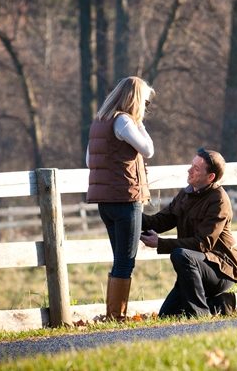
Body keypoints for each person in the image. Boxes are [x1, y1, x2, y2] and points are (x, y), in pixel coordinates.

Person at [140, 148, 237, 317]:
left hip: (220, 270)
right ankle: (218, 303)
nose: (189, 170)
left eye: (196, 168)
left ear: (210, 177)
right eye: (191, 165)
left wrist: (160, 243)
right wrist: (130, 214)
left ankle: (199, 314)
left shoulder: (218, 200)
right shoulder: (186, 194)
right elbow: (159, 222)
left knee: (181, 255)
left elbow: (202, 243)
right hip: (195, 266)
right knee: (167, 315)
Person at [86, 76, 155, 321]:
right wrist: (140, 124)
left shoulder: (100, 122)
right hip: (126, 199)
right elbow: (148, 150)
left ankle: (113, 313)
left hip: (105, 203)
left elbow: (89, 161)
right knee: (126, 261)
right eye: (144, 101)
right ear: (135, 99)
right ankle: (116, 315)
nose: (145, 107)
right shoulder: (124, 122)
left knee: (119, 260)